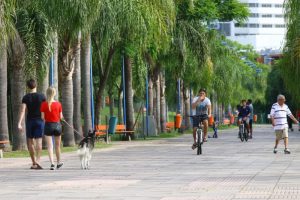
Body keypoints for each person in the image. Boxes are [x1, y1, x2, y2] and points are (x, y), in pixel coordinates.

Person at [18, 79, 45, 169]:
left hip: (30, 121)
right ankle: (38, 160)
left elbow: (22, 111)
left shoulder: (25, 97)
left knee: (30, 142)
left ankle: (34, 162)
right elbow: (45, 110)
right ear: (36, 85)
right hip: (39, 121)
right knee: (39, 141)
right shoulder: (42, 96)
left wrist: (19, 123)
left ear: (27, 87)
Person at [40, 87, 64, 170]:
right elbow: (61, 117)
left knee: (50, 146)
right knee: (57, 146)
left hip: (48, 126)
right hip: (57, 125)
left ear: (47, 93)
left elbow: (42, 117)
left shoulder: (43, 104)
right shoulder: (58, 104)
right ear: (54, 94)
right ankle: (59, 162)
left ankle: (52, 164)